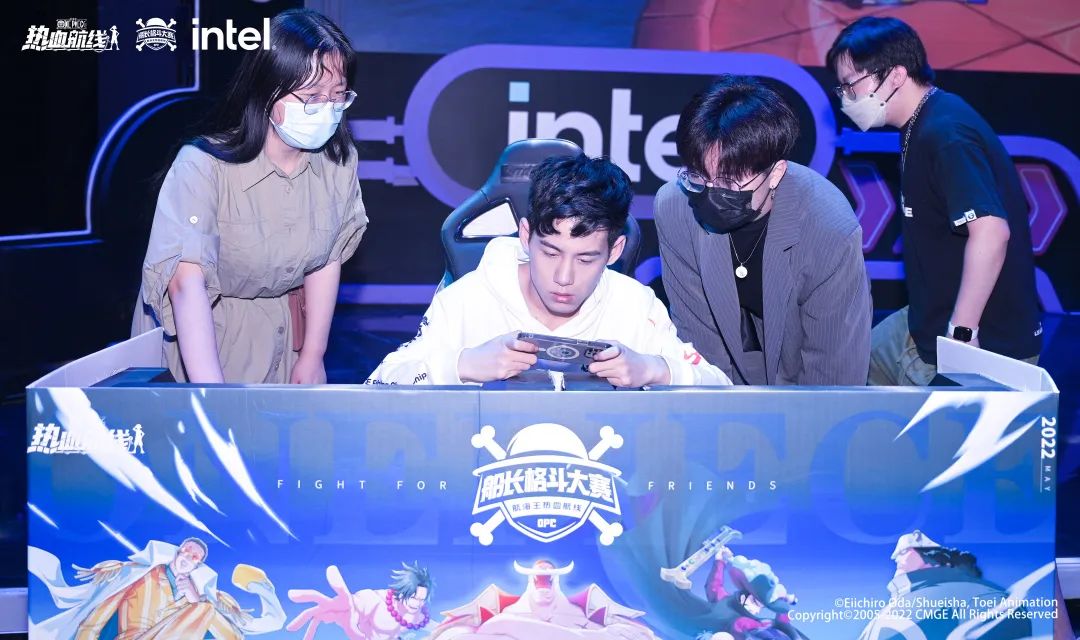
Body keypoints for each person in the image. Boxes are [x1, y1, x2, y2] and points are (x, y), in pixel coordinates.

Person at [132, 9, 368, 384]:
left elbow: (327, 258)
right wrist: (212, 395)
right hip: (206, 336)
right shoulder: (202, 166)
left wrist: (313, 355)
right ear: (267, 91)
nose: (326, 109)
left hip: (283, 338)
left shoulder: (337, 162)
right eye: (311, 97)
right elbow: (186, 284)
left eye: (337, 95)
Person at [366, 154, 731, 387]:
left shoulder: (636, 307)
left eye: (586, 259)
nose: (564, 277)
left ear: (615, 251)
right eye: (551, 252)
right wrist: (461, 365)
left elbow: (720, 388)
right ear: (526, 236)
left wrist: (655, 370)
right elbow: (379, 384)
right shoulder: (466, 300)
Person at [827, 17, 1041, 385]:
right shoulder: (921, 122)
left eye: (851, 85)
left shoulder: (946, 134)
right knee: (840, 374)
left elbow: (991, 232)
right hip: (926, 319)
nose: (846, 98)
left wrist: (962, 336)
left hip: (980, 342)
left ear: (895, 76)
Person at [654, 75, 871, 386]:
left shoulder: (828, 230)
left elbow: (832, 377)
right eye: (699, 176)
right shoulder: (676, 207)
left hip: (802, 376)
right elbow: (698, 346)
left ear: (776, 173)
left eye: (729, 182)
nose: (711, 192)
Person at [287, 562, 433, 639]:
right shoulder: (376, 601)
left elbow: (432, 627)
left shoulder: (418, 614)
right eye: (414, 598)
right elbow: (358, 603)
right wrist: (350, 605)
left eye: (422, 599)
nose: (417, 603)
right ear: (402, 593)